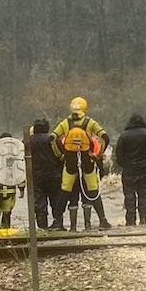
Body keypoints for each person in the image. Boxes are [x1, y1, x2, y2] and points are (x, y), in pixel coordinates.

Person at [52, 96, 112, 230]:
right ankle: (102, 221)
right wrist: (97, 155)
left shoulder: (65, 123)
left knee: (65, 191)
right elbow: (105, 137)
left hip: (70, 163)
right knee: (93, 191)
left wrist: (61, 154)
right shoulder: (90, 123)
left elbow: (53, 138)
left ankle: (57, 222)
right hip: (87, 162)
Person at [115, 114, 146, 226]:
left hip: (129, 170)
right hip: (143, 169)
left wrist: (123, 164)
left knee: (129, 195)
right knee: (143, 194)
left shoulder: (124, 136)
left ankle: (131, 220)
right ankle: (143, 218)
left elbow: (118, 153)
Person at [25, 118, 65, 230]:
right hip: (54, 175)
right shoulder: (52, 139)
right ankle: (58, 223)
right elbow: (61, 155)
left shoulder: (28, 141)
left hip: (35, 176)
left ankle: (42, 226)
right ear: (47, 128)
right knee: (56, 200)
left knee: (39, 201)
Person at [0, 133, 17, 228]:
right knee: (5, 212)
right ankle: (4, 229)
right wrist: (22, 188)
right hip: (6, 190)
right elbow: (19, 171)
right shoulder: (15, 154)